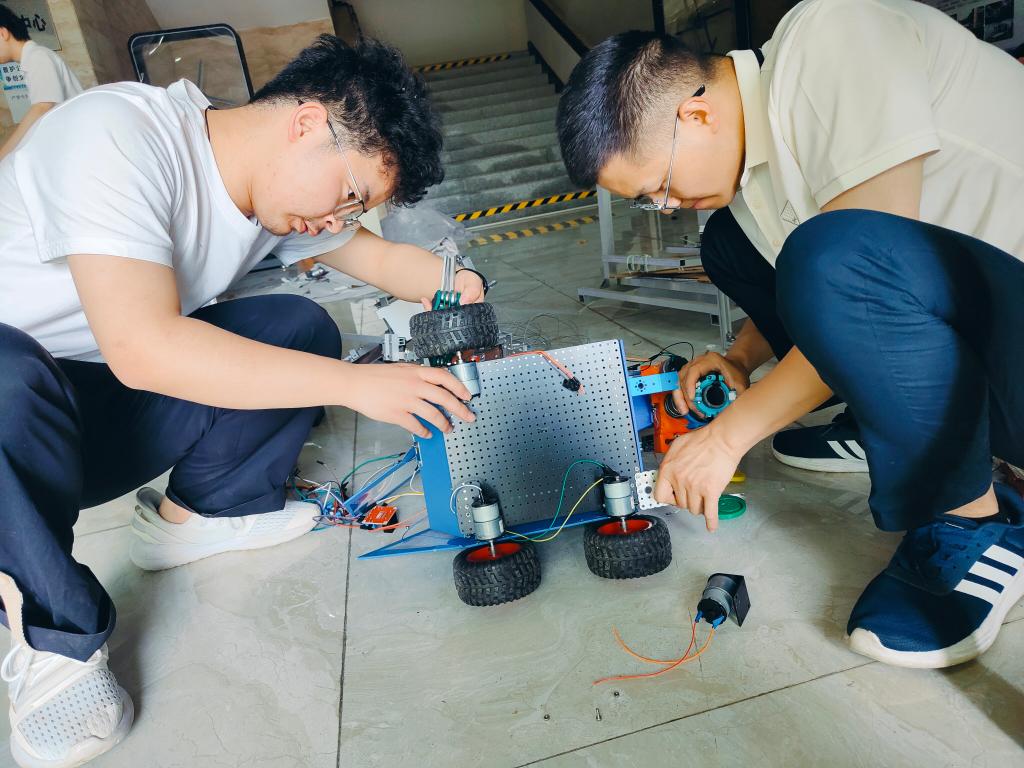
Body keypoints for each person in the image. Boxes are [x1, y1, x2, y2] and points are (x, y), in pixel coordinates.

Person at [0, 35, 486, 768]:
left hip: (82, 417)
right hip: (13, 427)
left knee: (296, 327)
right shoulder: (117, 134)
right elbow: (143, 348)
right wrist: (357, 385)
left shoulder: (264, 198)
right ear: (308, 124)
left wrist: (457, 285)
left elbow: (381, 259)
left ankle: (195, 518)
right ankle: (53, 637)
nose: (337, 220)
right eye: (350, 196)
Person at [556, 0, 1024, 670]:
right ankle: (888, 423)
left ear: (696, 116)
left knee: (832, 255)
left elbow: (860, 276)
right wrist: (742, 357)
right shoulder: (755, 173)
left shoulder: (836, 34)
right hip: (989, 337)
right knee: (730, 243)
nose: (667, 208)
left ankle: (974, 521)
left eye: (658, 188)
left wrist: (726, 437)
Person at [0, 3, 83, 160]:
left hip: (79, 145)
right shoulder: (33, 57)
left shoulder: (37, 56)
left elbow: (42, 107)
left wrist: (3, 156)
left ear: (3, 33)